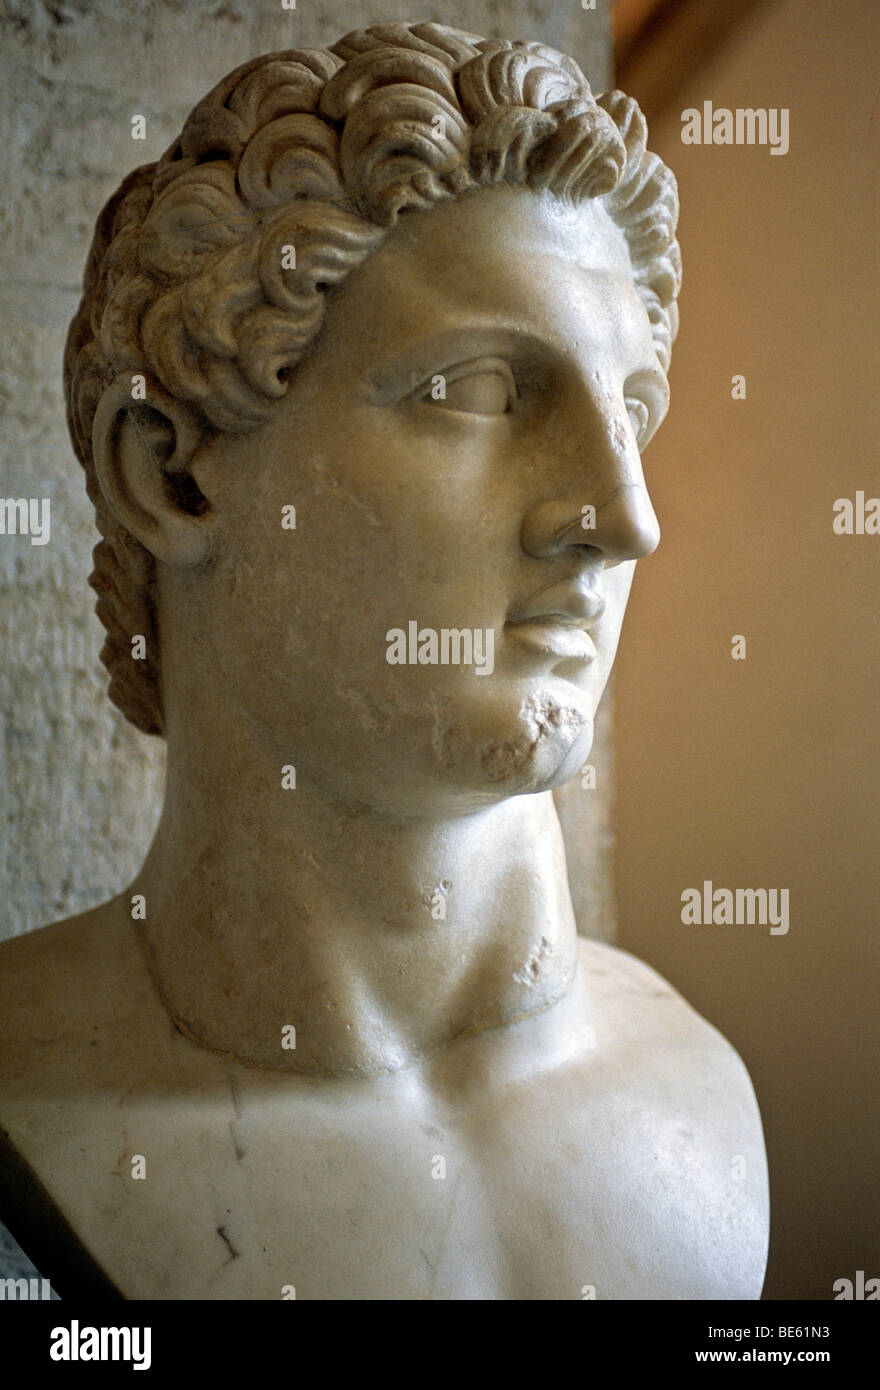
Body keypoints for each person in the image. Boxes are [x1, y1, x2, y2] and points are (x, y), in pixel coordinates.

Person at [0, 22, 768, 1299]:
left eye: (629, 408)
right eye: (475, 391)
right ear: (173, 472)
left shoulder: (702, 1099)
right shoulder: (33, 1097)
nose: (624, 516)